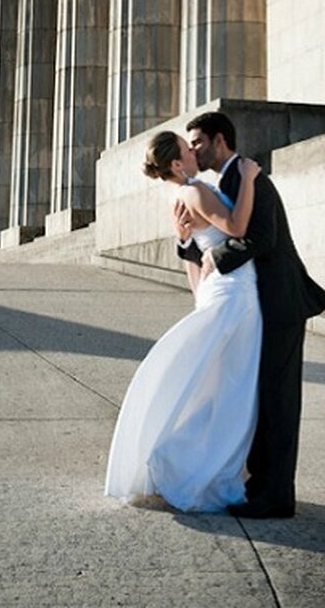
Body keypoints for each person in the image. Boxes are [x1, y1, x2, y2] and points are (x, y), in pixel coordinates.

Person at [175, 111, 325, 519]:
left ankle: (276, 496)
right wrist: (186, 244)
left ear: (219, 140)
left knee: (279, 401)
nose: (193, 149)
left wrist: (215, 254)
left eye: (197, 142)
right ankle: (259, 485)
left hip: (279, 303)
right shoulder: (225, 182)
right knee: (259, 396)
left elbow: (262, 237)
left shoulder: (251, 178)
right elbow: (219, 235)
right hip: (254, 304)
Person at [104, 131, 264, 513]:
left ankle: (194, 465)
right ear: (176, 164)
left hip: (224, 289)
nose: (193, 150)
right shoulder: (193, 192)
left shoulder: (184, 195)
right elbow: (238, 228)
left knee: (220, 388)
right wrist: (251, 180)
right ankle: (186, 467)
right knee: (232, 392)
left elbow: (198, 244)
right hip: (235, 293)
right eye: (185, 147)